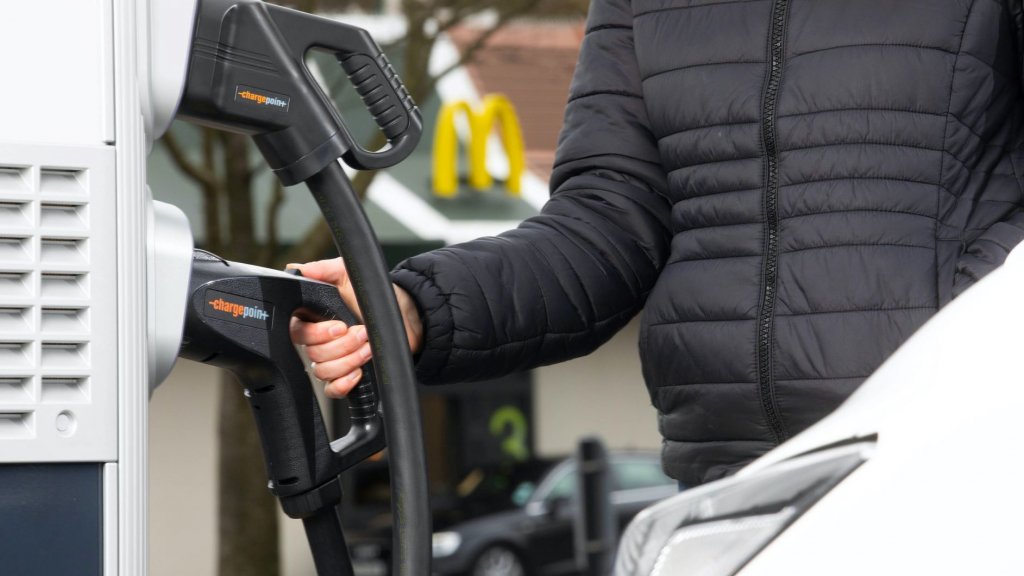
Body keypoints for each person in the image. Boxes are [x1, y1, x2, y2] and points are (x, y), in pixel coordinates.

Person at [290, 0, 1024, 487]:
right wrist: (415, 306)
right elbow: (606, 226)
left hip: (956, 468)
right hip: (728, 490)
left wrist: (967, 340)